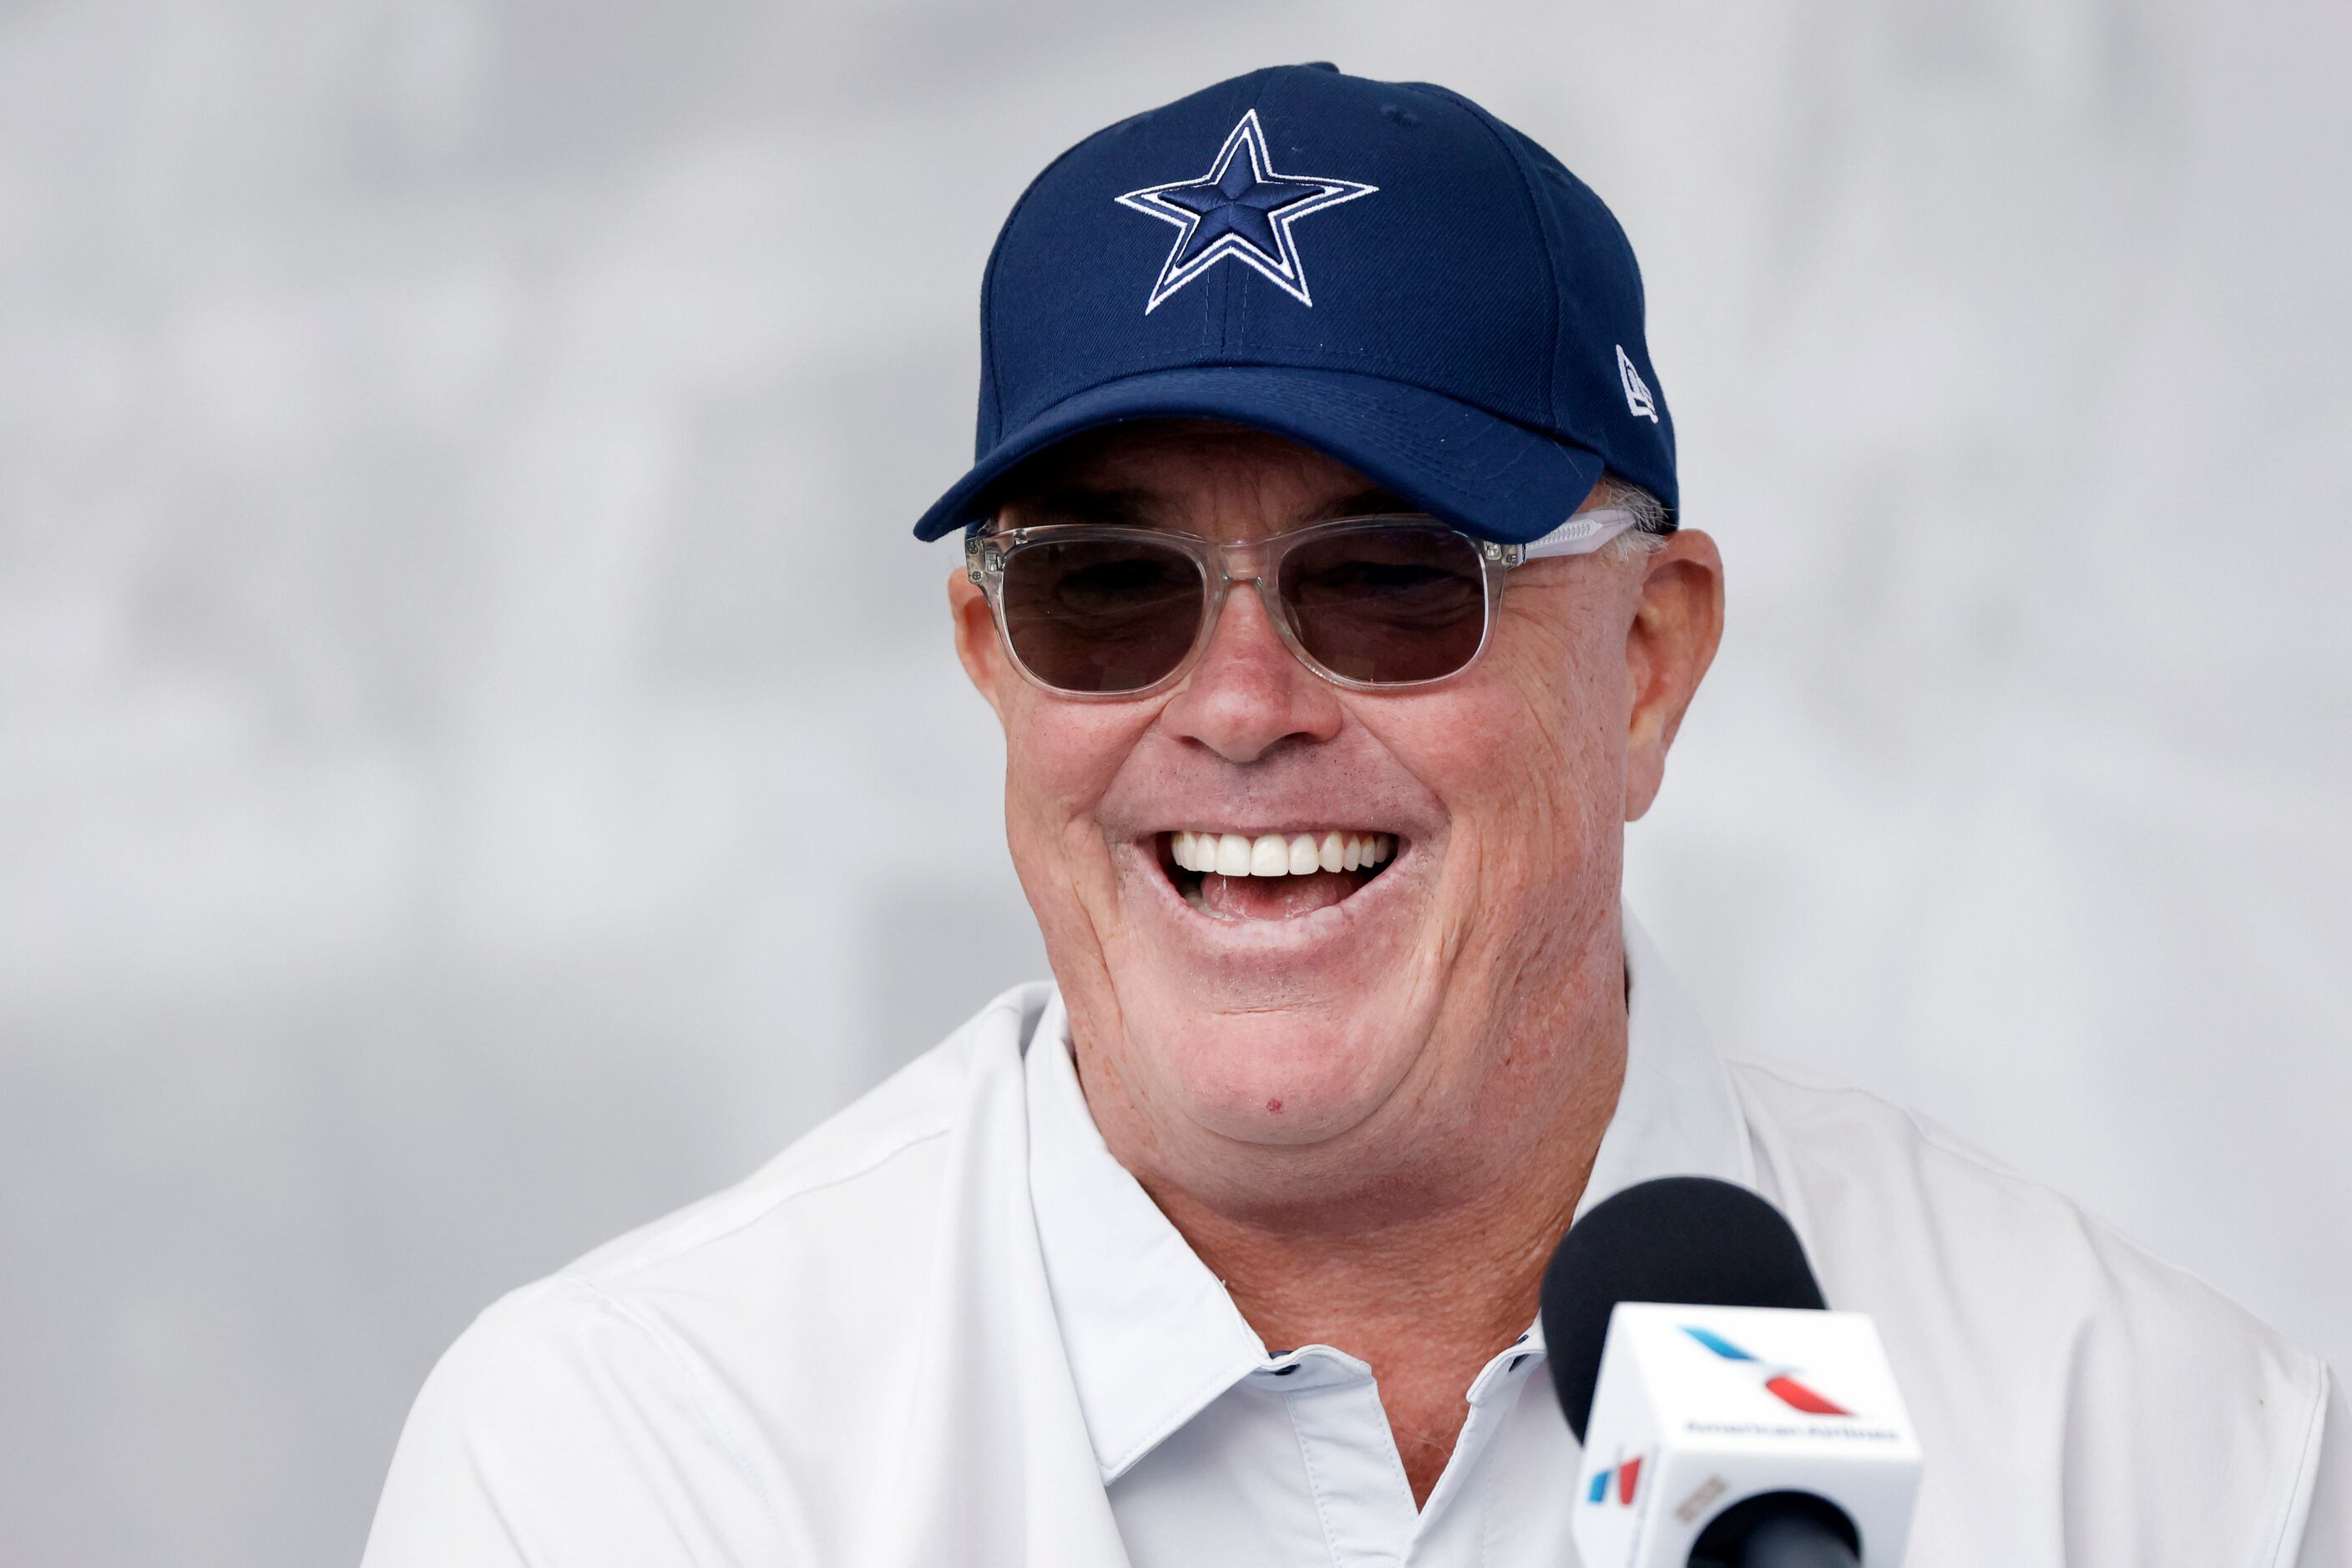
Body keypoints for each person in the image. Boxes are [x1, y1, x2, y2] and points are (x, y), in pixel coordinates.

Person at [362, 63, 2347, 1566]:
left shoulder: (2142, 1452)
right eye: (1105, 591)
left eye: (1392, 580)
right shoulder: (644, 1460)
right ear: (990, 667)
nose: (1233, 709)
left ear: (1647, 659)